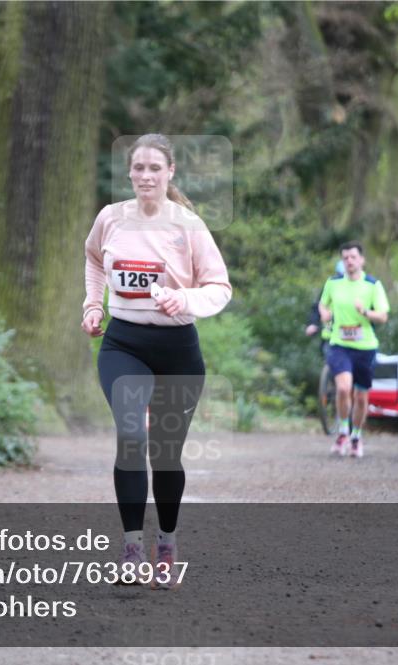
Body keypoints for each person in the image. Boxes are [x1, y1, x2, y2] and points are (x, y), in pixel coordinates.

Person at [81, 134, 232, 589]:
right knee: (131, 437)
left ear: (170, 173)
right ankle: (131, 550)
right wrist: (93, 304)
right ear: (129, 172)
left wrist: (183, 299)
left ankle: (166, 544)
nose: (145, 176)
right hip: (123, 345)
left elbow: (219, 288)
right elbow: (93, 260)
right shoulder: (110, 218)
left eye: (154, 168)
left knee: (166, 455)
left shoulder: (189, 226)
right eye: (138, 168)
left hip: (177, 350)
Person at [318, 242, 389, 458]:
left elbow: (383, 316)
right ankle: (342, 433)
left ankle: (356, 436)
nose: (349, 261)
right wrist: (324, 313)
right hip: (339, 344)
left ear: (362, 260)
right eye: (345, 258)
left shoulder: (372, 285)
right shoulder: (333, 283)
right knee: (343, 388)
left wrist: (365, 311)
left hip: (365, 347)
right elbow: (323, 304)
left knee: (360, 396)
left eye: (353, 257)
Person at [304, 260, 345, 358]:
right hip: (330, 337)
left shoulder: (362, 287)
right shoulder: (330, 286)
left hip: (355, 340)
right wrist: (313, 323)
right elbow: (318, 306)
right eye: (340, 276)